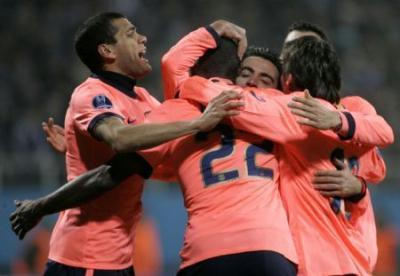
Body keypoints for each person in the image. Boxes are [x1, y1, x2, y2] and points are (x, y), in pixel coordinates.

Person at [12, 12, 243, 276]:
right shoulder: (92, 93)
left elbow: (162, 156)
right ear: (107, 50)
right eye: (131, 34)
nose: (143, 39)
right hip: (85, 257)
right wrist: (198, 123)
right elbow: (120, 138)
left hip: (119, 259)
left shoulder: (143, 98)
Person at [179, 36, 393, 275]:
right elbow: (379, 163)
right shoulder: (357, 112)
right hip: (356, 261)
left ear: (287, 80)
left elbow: (242, 103)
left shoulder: (291, 110)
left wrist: (189, 84)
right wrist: (360, 186)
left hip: (314, 262)